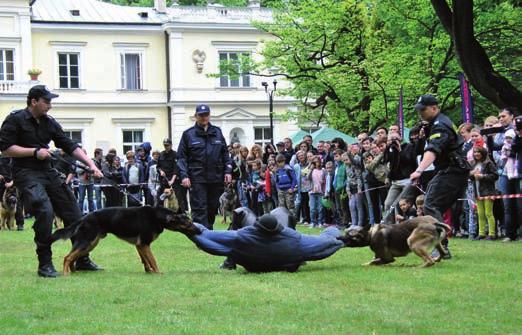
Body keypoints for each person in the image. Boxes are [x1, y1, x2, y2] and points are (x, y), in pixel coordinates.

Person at [0, 85, 103, 277]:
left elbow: (69, 145)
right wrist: (34, 152)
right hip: (26, 172)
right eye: (47, 101)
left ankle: (81, 258)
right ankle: (45, 264)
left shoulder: (49, 122)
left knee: (75, 213)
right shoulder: (15, 120)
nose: (50, 106)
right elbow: (5, 148)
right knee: (45, 211)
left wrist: (91, 165)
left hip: (48, 171)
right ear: (34, 102)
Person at [410, 94, 470, 259]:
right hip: (449, 170)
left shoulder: (440, 125)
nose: (420, 113)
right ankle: (439, 244)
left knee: (430, 205)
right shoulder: (435, 124)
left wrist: (419, 170)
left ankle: (441, 247)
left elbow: (433, 150)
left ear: (434, 108)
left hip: (453, 171)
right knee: (433, 205)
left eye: (423, 110)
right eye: (419, 110)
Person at [186, 214, 345, 273]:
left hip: (254, 266)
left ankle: (229, 262)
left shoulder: (241, 238)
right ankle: (229, 261)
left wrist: (186, 227)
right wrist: (335, 232)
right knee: (282, 211)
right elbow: (325, 244)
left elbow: (207, 237)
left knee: (241, 211)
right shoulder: (296, 241)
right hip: (284, 262)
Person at [177, 104, 232, 229]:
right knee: (199, 208)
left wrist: (228, 171)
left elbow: (225, 153)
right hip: (197, 178)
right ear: (196, 116)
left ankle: (208, 232)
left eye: (206, 114)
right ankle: (202, 237)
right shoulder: (188, 134)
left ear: (209, 115)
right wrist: (184, 176)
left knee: (213, 207)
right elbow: (181, 158)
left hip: (215, 178)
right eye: (201, 115)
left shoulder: (217, 132)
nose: (204, 117)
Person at [469, 146, 499, 240]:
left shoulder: (489, 163)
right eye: (475, 152)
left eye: (478, 152)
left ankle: (492, 234)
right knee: (480, 213)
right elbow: (471, 177)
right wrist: (471, 174)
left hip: (488, 191)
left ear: (483, 153)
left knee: (488, 213)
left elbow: (495, 176)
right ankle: (481, 233)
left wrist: (483, 176)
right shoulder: (473, 164)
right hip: (477, 191)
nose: (476, 154)